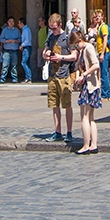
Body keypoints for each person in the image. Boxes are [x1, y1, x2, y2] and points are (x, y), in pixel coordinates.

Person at [42, 13, 77, 143]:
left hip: (64, 75)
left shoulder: (67, 37)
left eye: (55, 28)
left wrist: (61, 57)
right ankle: (57, 131)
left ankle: (69, 132)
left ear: (60, 25)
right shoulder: (50, 37)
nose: (53, 30)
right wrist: (46, 55)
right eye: (51, 28)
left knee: (67, 104)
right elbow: (44, 50)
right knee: (54, 105)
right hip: (52, 75)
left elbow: (74, 55)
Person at [72, 30, 101, 154]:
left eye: (75, 45)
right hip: (90, 84)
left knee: (84, 116)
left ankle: (86, 145)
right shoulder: (83, 50)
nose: (75, 47)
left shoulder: (88, 48)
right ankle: (93, 144)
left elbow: (96, 65)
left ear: (79, 41)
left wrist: (83, 75)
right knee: (90, 117)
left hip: (90, 85)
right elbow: (79, 65)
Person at [0, 17, 21, 84]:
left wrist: (15, 41)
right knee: (5, 65)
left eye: (12, 21)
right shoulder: (4, 30)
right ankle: (2, 79)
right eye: (10, 21)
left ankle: (14, 79)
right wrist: (6, 41)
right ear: (7, 22)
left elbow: (20, 39)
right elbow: (1, 39)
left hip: (14, 50)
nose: (11, 23)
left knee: (14, 65)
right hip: (6, 50)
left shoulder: (17, 30)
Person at [18, 18, 33, 84]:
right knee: (27, 63)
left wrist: (22, 45)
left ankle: (28, 77)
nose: (18, 25)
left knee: (24, 62)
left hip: (26, 47)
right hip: (26, 47)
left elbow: (27, 40)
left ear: (21, 23)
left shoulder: (26, 30)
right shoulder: (25, 30)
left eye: (19, 23)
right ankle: (28, 77)